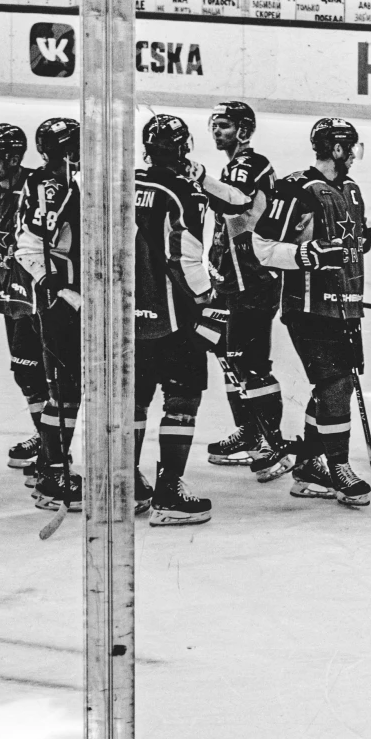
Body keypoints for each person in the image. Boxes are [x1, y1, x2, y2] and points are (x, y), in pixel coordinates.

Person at [248, 118, 371, 504]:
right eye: (352, 147)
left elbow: (353, 243)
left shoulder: (352, 190)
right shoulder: (295, 189)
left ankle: (310, 467)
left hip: (346, 307)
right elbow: (261, 247)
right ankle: (337, 466)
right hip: (307, 308)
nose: (356, 155)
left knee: (330, 387)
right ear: (339, 149)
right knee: (337, 384)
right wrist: (306, 255)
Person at [196, 101, 284, 469]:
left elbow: (236, 203)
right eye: (214, 125)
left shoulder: (251, 163)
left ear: (244, 130)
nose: (218, 132)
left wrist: (197, 177)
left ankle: (270, 442)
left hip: (254, 282)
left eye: (226, 126)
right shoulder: (231, 166)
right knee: (224, 353)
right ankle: (251, 432)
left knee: (251, 364)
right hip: (230, 282)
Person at [135, 116, 214, 524]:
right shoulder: (182, 191)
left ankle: (125, 485)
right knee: (182, 400)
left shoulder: (128, 183)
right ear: (183, 148)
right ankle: (168, 493)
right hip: (175, 318)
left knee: (135, 399)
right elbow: (184, 255)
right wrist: (206, 296)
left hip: (129, 315)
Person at [0, 124, 48, 479]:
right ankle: (45, 436)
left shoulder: (35, 189)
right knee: (25, 371)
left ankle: (52, 445)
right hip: (10, 293)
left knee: (46, 370)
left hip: (38, 295)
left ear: (14, 159)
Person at [16, 118, 83, 508]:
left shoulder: (64, 181)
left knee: (72, 390)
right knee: (65, 391)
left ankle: (52, 468)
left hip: (76, 298)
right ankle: (53, 475)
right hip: (62, 304)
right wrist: (56, 286)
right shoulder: (51, 185)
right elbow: (32, 244)